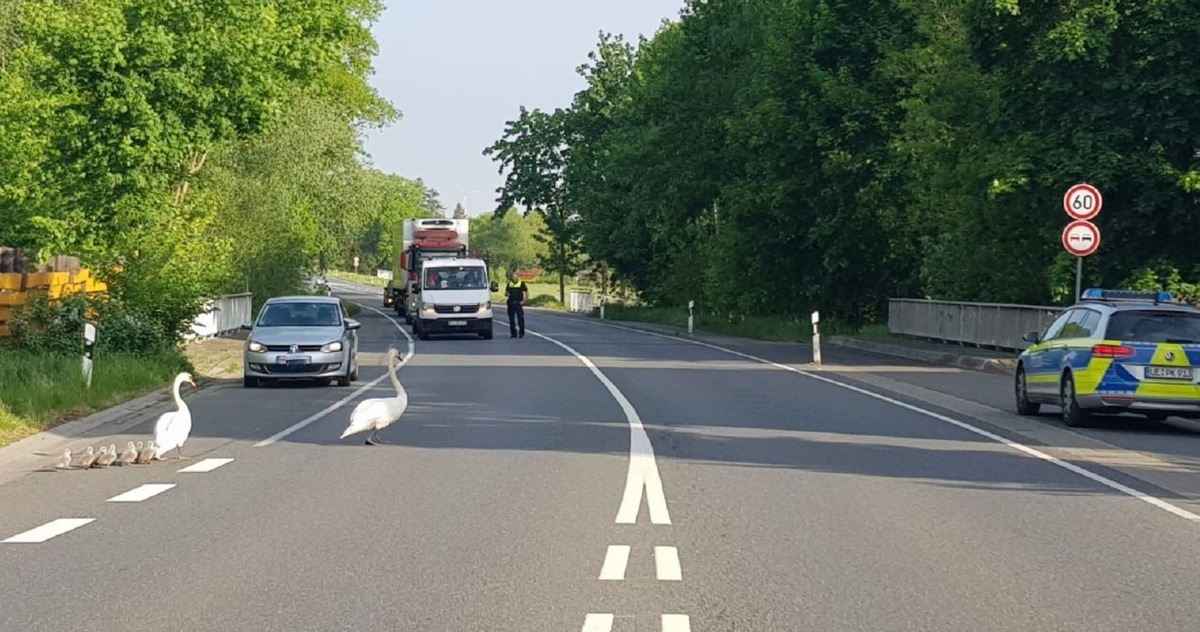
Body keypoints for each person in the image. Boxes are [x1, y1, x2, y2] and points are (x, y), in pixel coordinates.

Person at [505, 272, 528, 338]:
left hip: (518, 303)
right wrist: (507, 294)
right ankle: (513, 333)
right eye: (513, 277)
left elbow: (526, 292)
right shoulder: (509, 284)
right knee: (511, 320)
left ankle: (521, 333)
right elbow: (506, 292)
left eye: (515, 277)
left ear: (517, 277)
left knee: (520, 318)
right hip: (511, 303)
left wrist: (524, 301)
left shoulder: (521, 283)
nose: (514, 278)